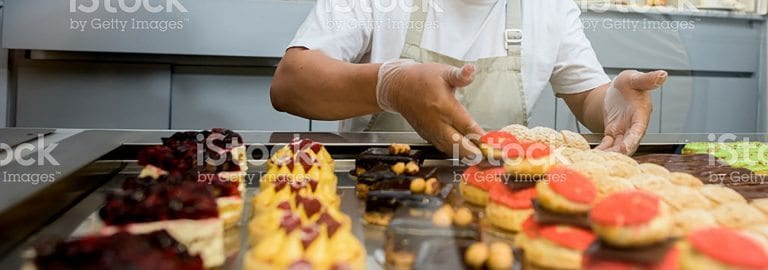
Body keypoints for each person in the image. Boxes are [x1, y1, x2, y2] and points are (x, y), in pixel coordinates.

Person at [270, 0, 668, 158]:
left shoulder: (549, 7)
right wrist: (390, 85)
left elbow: (587, 97)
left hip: (503, 196)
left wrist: (612, 104)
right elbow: (290, 86)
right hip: (377, 189)